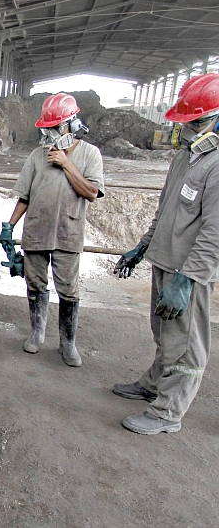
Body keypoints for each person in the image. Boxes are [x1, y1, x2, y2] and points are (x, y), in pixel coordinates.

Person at [112, 73, 219, 435]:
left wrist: (187, 280)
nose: (188, 128)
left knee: (186, 343)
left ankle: (167, 413)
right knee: (164, 330)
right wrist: (142, 246)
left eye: (197, 122)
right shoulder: (185, 158)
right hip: (165, 259)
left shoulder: (217, 164)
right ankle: (155, 384)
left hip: (188, 271)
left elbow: (214, 232)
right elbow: (166, 210)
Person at [0, 93, 104, 367]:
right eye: (47, 129)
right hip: (36, 231)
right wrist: (9, 226)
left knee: (68, 289)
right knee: (35, 283)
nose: (49, 134)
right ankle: (37, 332)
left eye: (55, 128)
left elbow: (91, 192)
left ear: (72, 125)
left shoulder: (89, 154)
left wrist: (66, 163)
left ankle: (67, 343)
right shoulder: (36, 157)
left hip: (67, 232)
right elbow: (24, 196)